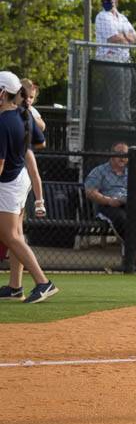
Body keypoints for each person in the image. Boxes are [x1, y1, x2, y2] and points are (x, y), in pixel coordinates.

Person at [0, 72, 56, 304]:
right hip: (20, 177)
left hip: (9, 183)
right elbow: (40, 142)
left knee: (10, 236)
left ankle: (44, 283)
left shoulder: (4, 121)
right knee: (17, 235)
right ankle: (15, 286)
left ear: (2, 93)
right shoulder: (23, 114)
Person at [84, 141, 136, 265]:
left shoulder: (132, 171)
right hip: (109, 205)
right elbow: (90, 192)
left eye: (125, 154)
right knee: (123, 219)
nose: (122, 157)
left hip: (130, 204)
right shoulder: (99, 171)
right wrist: (109, 200)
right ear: (111, 155)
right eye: (119, 154)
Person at [94, 0, 136, 125]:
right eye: (103, 0)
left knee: (126, 96)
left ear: (116, 1)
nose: (105, 2)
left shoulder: (122, 18)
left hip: (125, 60)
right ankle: (119, 125)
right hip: (110, 59)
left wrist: (124, 37)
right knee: (117, 94)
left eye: (108, 0)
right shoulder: (102, 16)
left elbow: (134, 36)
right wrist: (125, 37)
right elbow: (113, 37)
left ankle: (127, 122)